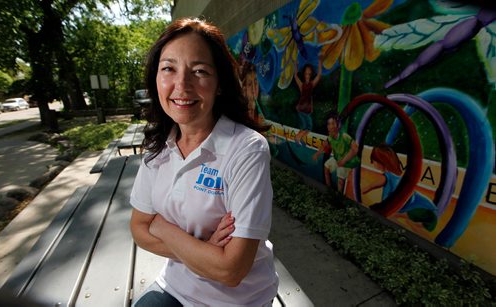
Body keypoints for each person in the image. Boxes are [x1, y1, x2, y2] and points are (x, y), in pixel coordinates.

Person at [129, 18, 278, 306]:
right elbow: (137, 229)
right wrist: (203, 250)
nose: (181, 85)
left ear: (219, 84)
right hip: (175, 287)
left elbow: (231, 270)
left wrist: (160, 226)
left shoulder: (246, 149)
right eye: (169, 68)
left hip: (239, 300)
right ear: (155, 80)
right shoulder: (159, 148)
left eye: (199, 71)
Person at [361, 144, 438, 231]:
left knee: (393, 216)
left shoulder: (386, 177)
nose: (372, 163)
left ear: (381, 161)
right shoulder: (397, 177)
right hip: (428, 213)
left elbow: (368, 187)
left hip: (423, 212)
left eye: (373, 160)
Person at [312, 111, 360, 192]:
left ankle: (338, 198)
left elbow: (355, 149)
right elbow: (324, 145)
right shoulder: (330, 137)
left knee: (340, 180)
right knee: (326, 167)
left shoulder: (344, 136)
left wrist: (344, 160)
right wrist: (317, 154)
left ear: (338, 126)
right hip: (338, 159)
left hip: (348, 161)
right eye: (328, 124)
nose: (330, 126)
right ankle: (329, 190)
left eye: (333, 124)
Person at [293, 57, 322, 145]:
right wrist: (296, 65)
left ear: (311, 74)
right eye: (306, 74)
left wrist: (320, 62)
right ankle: (298, 138)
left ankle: (300, 138)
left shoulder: (311, 84)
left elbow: (319, 75)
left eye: (309, 74)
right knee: (306, 127)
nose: (307, 76)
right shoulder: (302, 85)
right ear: (304, 74)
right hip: (302, 109)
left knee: (307, 127)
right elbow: (295, 76)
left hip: (306, 109)